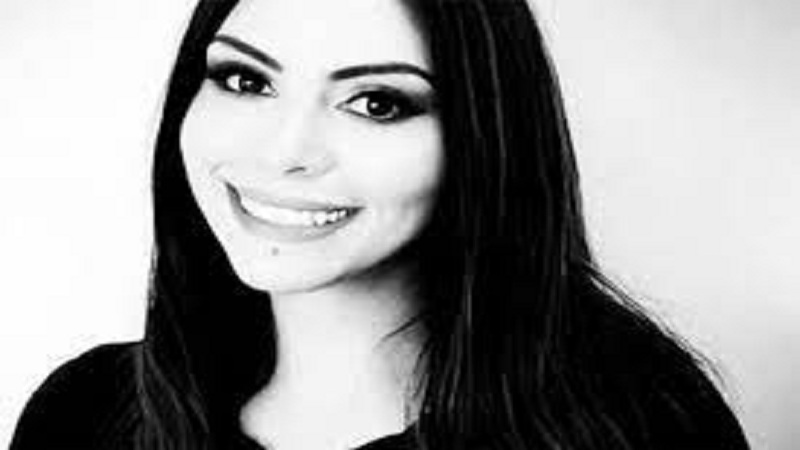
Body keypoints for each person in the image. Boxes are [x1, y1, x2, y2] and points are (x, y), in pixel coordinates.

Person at [11, 0, 751, 449]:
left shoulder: (636, 425)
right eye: (246, 80)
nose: (285, 151)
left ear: (482, 139)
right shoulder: (86, 414)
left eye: (377, 103)